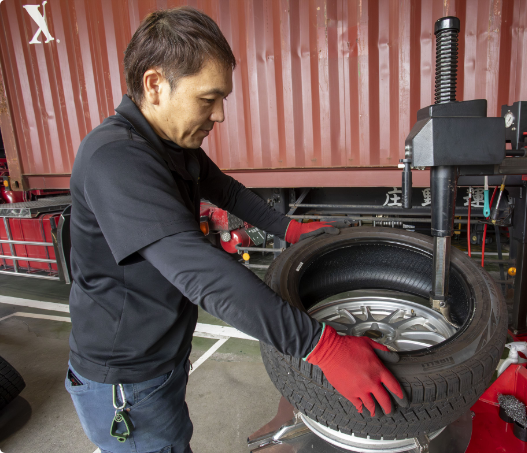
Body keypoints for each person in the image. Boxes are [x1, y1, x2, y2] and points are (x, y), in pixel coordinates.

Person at [64, 6, 404, 453]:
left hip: (160, 356)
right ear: (154, 85)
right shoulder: (115, 159)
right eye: (208, 99)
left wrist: (290, 229)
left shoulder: (167, 144)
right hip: (125, 380)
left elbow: (226, 190)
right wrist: (322, 347)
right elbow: (199, 272)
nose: (219, 115)